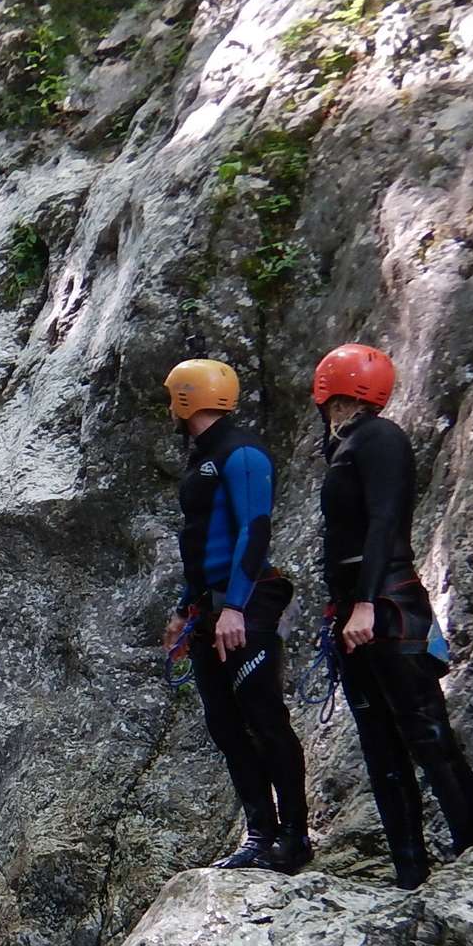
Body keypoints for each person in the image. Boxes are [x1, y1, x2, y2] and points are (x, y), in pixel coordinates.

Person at [313, 343, 473, 890]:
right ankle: (411, 870)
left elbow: (385, 520)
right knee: (379, 741)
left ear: (331, 391)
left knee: (426, 732)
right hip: (356, 608)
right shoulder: (346, 445)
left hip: (385, 605)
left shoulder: (380, 439)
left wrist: (365, 602)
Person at [161, 359, 310, 873]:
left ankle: (294, 836)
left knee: (265, 718)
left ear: (186, 398)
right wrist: (184, 609)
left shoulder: (242, 453)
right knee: (225, 724)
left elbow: (256, 532)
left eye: (172, 397)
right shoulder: (202, 458)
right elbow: (200, 546)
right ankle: (258, 834)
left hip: (247, 605)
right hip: (209, 607)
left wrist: (237, 608)